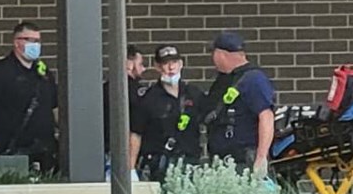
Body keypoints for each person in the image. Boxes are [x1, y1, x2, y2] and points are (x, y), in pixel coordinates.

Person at [0, 21, 59, 172]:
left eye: (37, 41)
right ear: (17, 43)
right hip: (11, 153)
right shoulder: (0, 72)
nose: (35, 45)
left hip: (45, 152)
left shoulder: (43, 73)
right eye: (30, 40)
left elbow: (54, 106)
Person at [129, 45, 207, 183]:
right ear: (158, 67)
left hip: (190, 163)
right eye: (166, 63)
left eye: (174, 63)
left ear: (181, 64)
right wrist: (131, 169)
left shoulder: (194, 94)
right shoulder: (148, 98)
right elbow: (136, 134)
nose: (171, 68)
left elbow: (208, 122)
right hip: (160, 166)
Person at [205, 31, 276, 177]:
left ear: (221, 54)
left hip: (244, 162)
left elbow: (266, 117)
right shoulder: (224, 80)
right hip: (224, 162)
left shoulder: (254, 79)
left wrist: (261, 158)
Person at [103, 43, 145, 153]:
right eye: (140, 64)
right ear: (129, 64)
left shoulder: (105, 88)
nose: (143, 69)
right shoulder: (137, 91)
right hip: (129, 149)